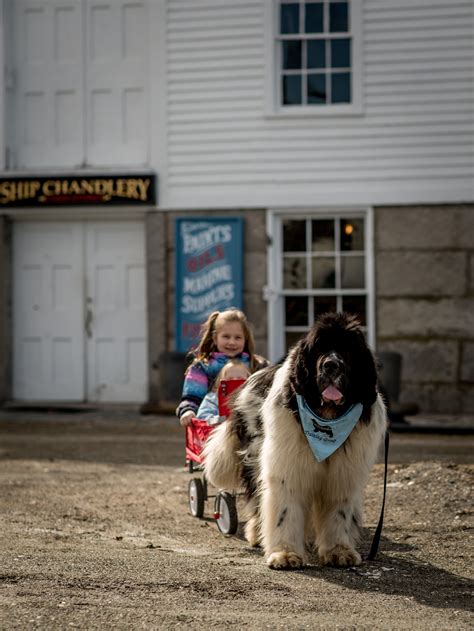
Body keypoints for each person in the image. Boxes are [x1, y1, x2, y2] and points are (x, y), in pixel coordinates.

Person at [176, 308, 268, 427]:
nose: (232, 342)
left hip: (250, 426)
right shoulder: (203, 367)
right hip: (213, 425)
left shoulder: (257, 364)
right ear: (215, 338)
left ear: (245, 339)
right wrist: (188, 411)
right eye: (226, 336)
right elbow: (192, 397)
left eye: (238, 337)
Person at [196, 359, 250, 426]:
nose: (234, 381)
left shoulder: (254, 398)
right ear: (222, 381)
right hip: (221, 433)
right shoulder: (212, 399)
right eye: (229, 379)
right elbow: (202, 418)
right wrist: (222, 419)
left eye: (240, 379)